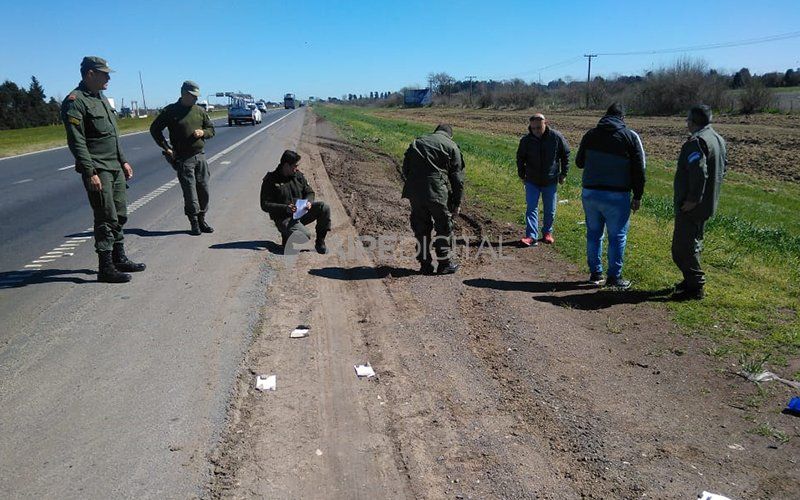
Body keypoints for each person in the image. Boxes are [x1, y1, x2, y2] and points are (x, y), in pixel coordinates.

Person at [61, 56, 145, 283]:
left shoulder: (101, 99)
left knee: (120, 214)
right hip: (98, 169)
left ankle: (119, 258)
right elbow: (76, 141)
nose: (108, 77)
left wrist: (123, 160)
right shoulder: (75, 101)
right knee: (105, 216)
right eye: (104, 73)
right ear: (90, 74)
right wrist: (90, 172)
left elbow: (112, 136)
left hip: (114, 166)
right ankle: (105, 267)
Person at [576, 103, 646, 289]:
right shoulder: (630, 137)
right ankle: (614, 277)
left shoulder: (590, 135)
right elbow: (640, 169)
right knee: (617, 236)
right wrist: (637, 195)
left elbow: (579, 162)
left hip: (590, 193)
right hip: (617, 194)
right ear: (622, 118)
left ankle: (595, 274)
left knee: (594, 234)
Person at [671, 105, 727, 300]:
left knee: (681, 249)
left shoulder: (696, 142)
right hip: (708, 203)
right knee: (693, 243)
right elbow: (722, 169)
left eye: (688, 119)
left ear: (693, 122)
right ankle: (690, 280)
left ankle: (696, 286)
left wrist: (693, 200)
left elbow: (699, 172)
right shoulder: (717, 139)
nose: (686, 122)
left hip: (693, 206)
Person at [150, 81, 216, 235]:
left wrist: (203, 133)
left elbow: (211, 129)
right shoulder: (171, 111)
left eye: (196, 97)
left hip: (200, 156)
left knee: (204, 190)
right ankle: (194, 222)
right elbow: (155, 129)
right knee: (190, 193)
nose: (195, 99)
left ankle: (202, 219)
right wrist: (166, 148)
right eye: (192, 96)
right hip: (184, 159)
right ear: (184, 94)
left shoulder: (199, 111)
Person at [401, 124, 465, 275]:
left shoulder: (418, 142)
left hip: (415, 191)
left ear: (436, 131)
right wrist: (456, 202)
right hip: (437, 191)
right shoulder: (452, 146)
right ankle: (444, 264)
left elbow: (405, 168)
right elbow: (457, 179)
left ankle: (424, 264)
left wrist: (416, 183)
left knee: (420, 226)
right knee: (443, 226)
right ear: (450, 135)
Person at [260, 150, 331, 254]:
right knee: (304, 236)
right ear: (286, 165)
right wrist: (285, 208)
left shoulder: (297, 176)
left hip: (300, 212)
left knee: (324, 207)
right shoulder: (271, 180)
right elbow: (265, 204)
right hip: (284, 218)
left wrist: (308, 202)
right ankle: (287, 235)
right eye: (294, 166)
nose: (296, 168)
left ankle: (320, 242)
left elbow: (309, 191)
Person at [516, 113, 570, 246]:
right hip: (532, 180)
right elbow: (520, 158)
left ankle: (547, 233)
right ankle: (531, 236)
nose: (536, 131)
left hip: (550, 180)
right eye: (533, 128)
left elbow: (566, 154)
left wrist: (564, 173)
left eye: (538, 128)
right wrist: (522, 175)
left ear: (545, 123)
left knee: (550, 209)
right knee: (531, 208)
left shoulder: (556, 138)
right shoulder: (526, 140)